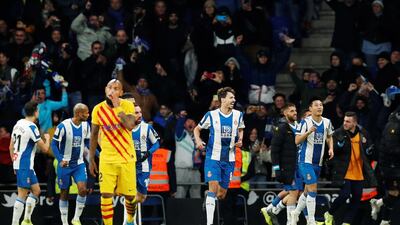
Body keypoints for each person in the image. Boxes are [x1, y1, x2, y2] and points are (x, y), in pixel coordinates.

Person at [194, 87, 245, 225]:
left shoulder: (238, 115)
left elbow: (241, 129)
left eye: (234, 98)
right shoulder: (211, 115)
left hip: (229, 159)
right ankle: (209, 223)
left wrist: (240, 139)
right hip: (213, 157)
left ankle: (209, 198)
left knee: (221, 194)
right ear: (222, 99)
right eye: (231, 97)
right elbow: (197, 129)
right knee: (213, 187)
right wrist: (198, 141)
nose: (234, 100)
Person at [88, 79, 137, 225]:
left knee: (130, 197)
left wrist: (117, 108)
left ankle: (129, 220)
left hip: (126, 158)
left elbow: (130, 126)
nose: (112, 91)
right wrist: (91, 158)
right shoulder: (98, 109)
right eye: (110, 87)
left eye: (116, 89)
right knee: (106, 194)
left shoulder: (128, 105)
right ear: (105, 89)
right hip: (107, 159)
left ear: (121, 93)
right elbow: (94, 134)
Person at [324, 111, 377, 225]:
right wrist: (339, 145)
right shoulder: (338, 133)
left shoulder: (363, 133)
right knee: (345, 194)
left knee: (356, 200)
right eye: (344, 121)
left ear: (355, 123)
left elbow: (370, 150)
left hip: (359, 172)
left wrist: (368, 149)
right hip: (344, 171)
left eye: (348, 121)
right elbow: (332, 151)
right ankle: (329, 213)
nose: (345, 123)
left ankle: (346, 223)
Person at [290, 97, 334, 225]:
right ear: (310, 108)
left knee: (307, 190)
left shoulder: (327, 122)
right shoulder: (305, 123)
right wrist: (309, 132)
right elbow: (297, 141)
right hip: (305, 161)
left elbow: (330, 136)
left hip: (318, 162)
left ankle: (296, 213)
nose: (320, 107)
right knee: (313, 189)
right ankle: (311, 220)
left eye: (321, 105)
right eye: (316, 105)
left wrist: (331, 148)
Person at [10, 101, 50, 225]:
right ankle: (15, 223)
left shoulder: (18, 123)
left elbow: (11, 146)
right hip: (24, 164)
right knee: (22, 194)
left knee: (36, 191)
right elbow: (44, 149)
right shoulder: (32, 127)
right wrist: (47, 139)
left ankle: (26, 220)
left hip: (23, 164)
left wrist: (14, 162)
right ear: (36, 112)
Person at [51, 103, 91, 225]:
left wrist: (98, 154)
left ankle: (76, 219)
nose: (88, 115)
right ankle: (64, 222)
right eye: (86, 112)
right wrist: (60, 159)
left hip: (79, 164)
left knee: (83, 190)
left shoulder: (86, 125)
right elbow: (53, 144)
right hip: (65, 164)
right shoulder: (63, 126)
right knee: (64, 193)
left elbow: (88, 143)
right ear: (79, 113)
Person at [123, 95, 160, 224]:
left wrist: (148, 153)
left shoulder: (147, 127)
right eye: (136, 113)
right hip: (129, 166)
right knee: (129, 194)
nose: (139, 115)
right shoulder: (125, 129)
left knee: (142, 197)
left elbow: (156, 143)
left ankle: (130, 213)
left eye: (140, 112)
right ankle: (129, 220)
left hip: (144, 166)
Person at [262, 103, 300, 225]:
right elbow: (274, 151)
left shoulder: (298, 127)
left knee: (296, 193)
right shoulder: (282, 128)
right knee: (294, 193)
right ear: (285, 113)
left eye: (295, 111)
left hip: (297, 166)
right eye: (291, 111)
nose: (294, 113)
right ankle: (290, 222)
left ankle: (270, 209)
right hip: (286, 168)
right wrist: (277, 169)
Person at [370, 107, 400, 225]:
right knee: (393, 192)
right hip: (390, 166)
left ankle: (381, 210)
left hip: (394, 165)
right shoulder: (392, 126)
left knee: (394, 193)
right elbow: (391, 147)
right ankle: (381, 209)